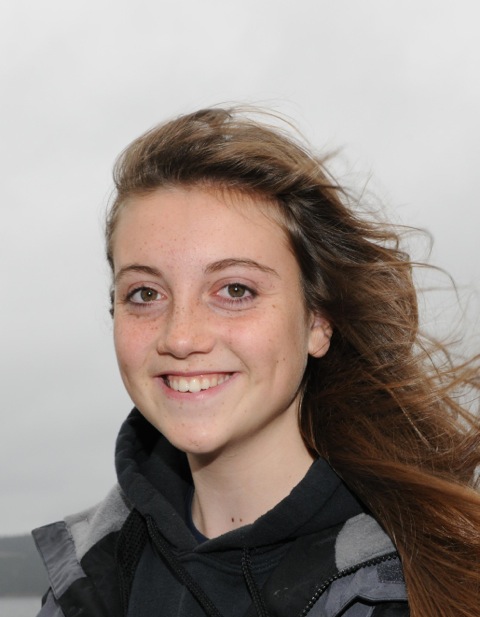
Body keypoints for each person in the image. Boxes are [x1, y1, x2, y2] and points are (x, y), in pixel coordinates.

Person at [33, 107, 480, 617]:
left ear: (317, 321)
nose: (181, 336)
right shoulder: (86, 578)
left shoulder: (418, 584)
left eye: (235, 290)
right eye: (145, 293)